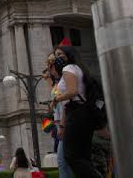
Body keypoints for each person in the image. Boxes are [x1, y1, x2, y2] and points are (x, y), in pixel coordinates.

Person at [52, 45, 102, 178]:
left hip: (76, 114)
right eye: (56, 56)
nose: (58, 58)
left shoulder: (69, 68)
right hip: (82, 113)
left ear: (69, 54)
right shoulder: (79, 69)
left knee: (71, 156)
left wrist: (57, 98)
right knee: (83, 156)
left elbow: (72, 92)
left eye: (60, 55)